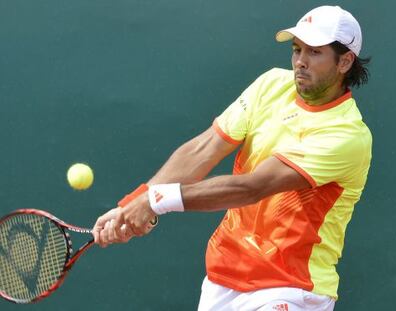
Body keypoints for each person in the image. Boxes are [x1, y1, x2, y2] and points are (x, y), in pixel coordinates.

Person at [92, 5, 372, 311]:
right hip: (222, 278)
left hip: (290, 288)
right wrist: (133, 204)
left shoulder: (346, 135)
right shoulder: (272, 85)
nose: (300, 62)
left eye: (314, 53)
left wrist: (154, 201)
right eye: (296, 49)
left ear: (345, 61)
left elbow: (251, 188)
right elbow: (204, 148)